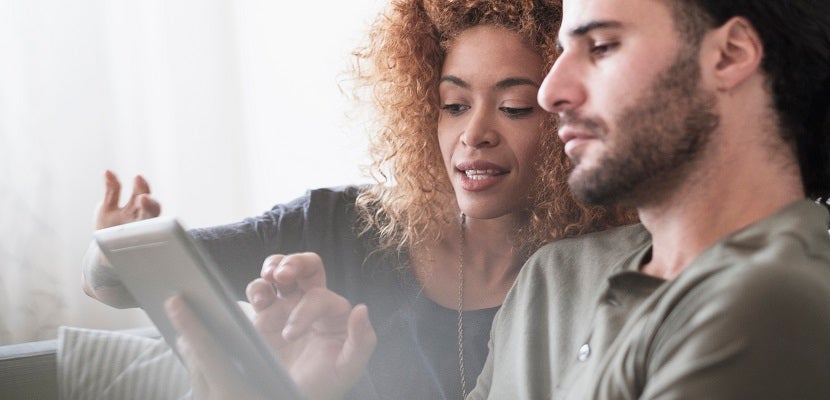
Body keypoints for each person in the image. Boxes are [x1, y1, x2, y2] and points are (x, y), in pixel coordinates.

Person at [83, 0, 634, 398]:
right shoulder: (339, 226)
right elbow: (113, 281)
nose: (475, 135)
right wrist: (115, 244)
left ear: (568, 116)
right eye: (453, 105)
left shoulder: (599, 274)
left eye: (514, 107)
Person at [468, 0, 830, 398]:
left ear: (729, 56)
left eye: (602, 46)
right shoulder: (551, 278)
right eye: (561, 53)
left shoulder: (769, 305)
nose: (550, 92)